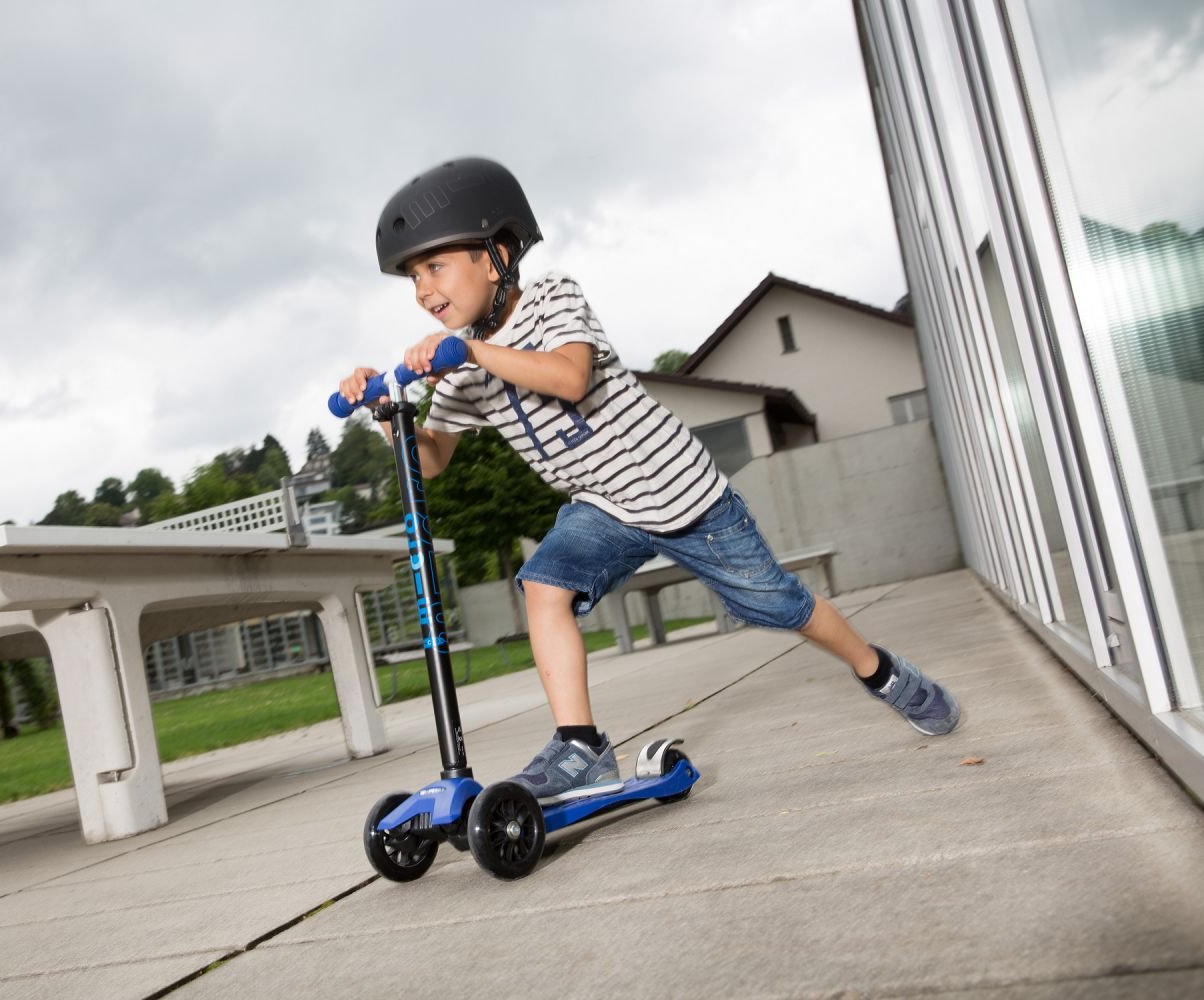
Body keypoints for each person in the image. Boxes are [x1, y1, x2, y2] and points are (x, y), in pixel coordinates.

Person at [338, 157, 960, 804]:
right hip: (603, 506)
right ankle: (580, 748)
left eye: (435, 267)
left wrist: (472, 351)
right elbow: (430, 460)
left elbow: (570, 377)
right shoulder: (460, 371)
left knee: (779, 604)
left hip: (681, 492)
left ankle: (881, 671)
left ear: (496, 256)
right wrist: (384, 411)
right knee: (544, 586)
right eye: (413, 277)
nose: (423, 290)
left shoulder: (552, 298)